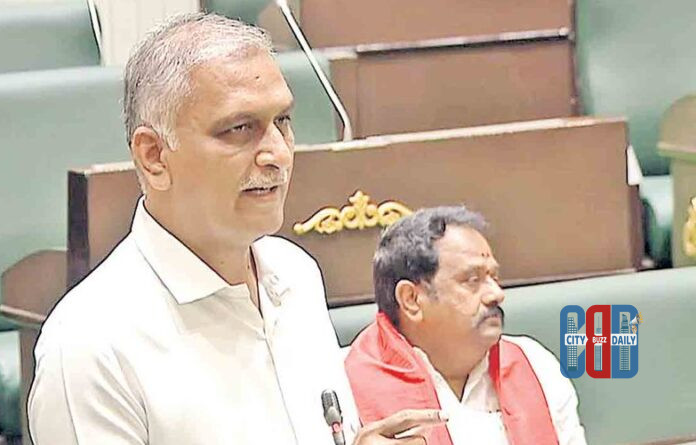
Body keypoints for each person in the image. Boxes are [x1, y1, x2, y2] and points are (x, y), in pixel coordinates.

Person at [28, 12, 444, 445]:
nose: (277, 154)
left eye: (283, 122)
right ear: (154, 156)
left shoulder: (295, 274)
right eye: (240, 129)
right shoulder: (89, 347)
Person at [344, 207, 587, 445]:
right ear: (411, 299)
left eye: (494, 277)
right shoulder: (339, 386)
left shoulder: (536, 364)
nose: (496, 294)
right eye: (473, 280)